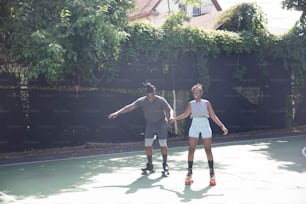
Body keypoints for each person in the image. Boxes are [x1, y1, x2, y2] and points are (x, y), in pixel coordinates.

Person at [108, 82, 174, 173]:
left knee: (163, 144)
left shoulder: (161, 100)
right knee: (147, 145)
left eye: (151, 96)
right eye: (148, 96)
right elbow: (129, 107)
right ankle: (150, 164)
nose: (150, 98)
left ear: (154, 94)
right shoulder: (142, 101)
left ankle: (165, 164)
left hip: (161, 124)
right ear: (146, 95)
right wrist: (117, 113)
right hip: (150, 125)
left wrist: (171, 116)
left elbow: (170, 109)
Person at [170, 83, 228, 185]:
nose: (195, 94)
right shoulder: (191, 104)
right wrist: (175, 119)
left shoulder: (207, 103)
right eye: (194, 92)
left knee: (208, 150)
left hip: (205, 125)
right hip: (194, 126)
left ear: (201, 93)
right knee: (191, 149)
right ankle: (189, 173)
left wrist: (222, 126)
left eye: (198, 92)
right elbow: (185, 114)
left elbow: (213, 116)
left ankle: (212, 173)